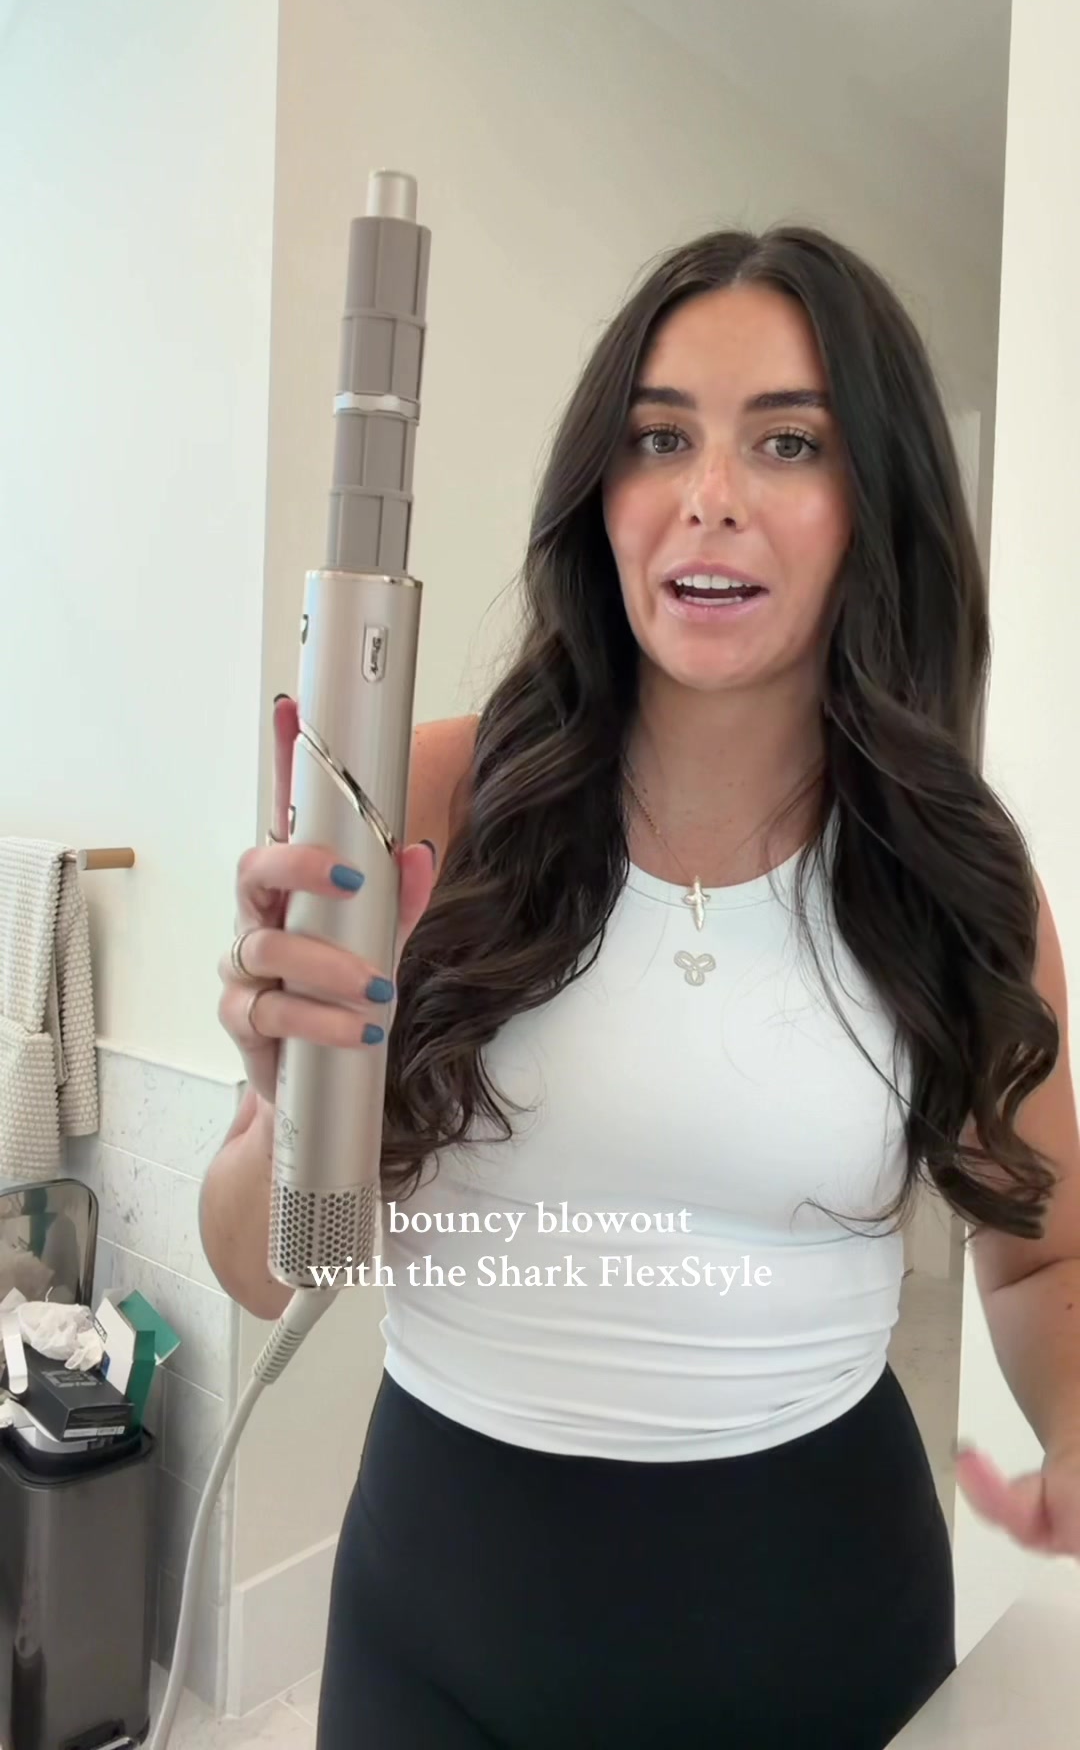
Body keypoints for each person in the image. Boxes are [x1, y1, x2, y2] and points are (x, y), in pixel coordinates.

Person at [203, 223, 1080, 1749]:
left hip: (821, 1607)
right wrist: (293, 1097)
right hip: (443, 1607)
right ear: (599, 499)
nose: (708, 495)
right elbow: (258, 1268)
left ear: (876, 506)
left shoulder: (956, 874)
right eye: (659, 438)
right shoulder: (429, 798)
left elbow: (1039, 1260)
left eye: (787, 442)